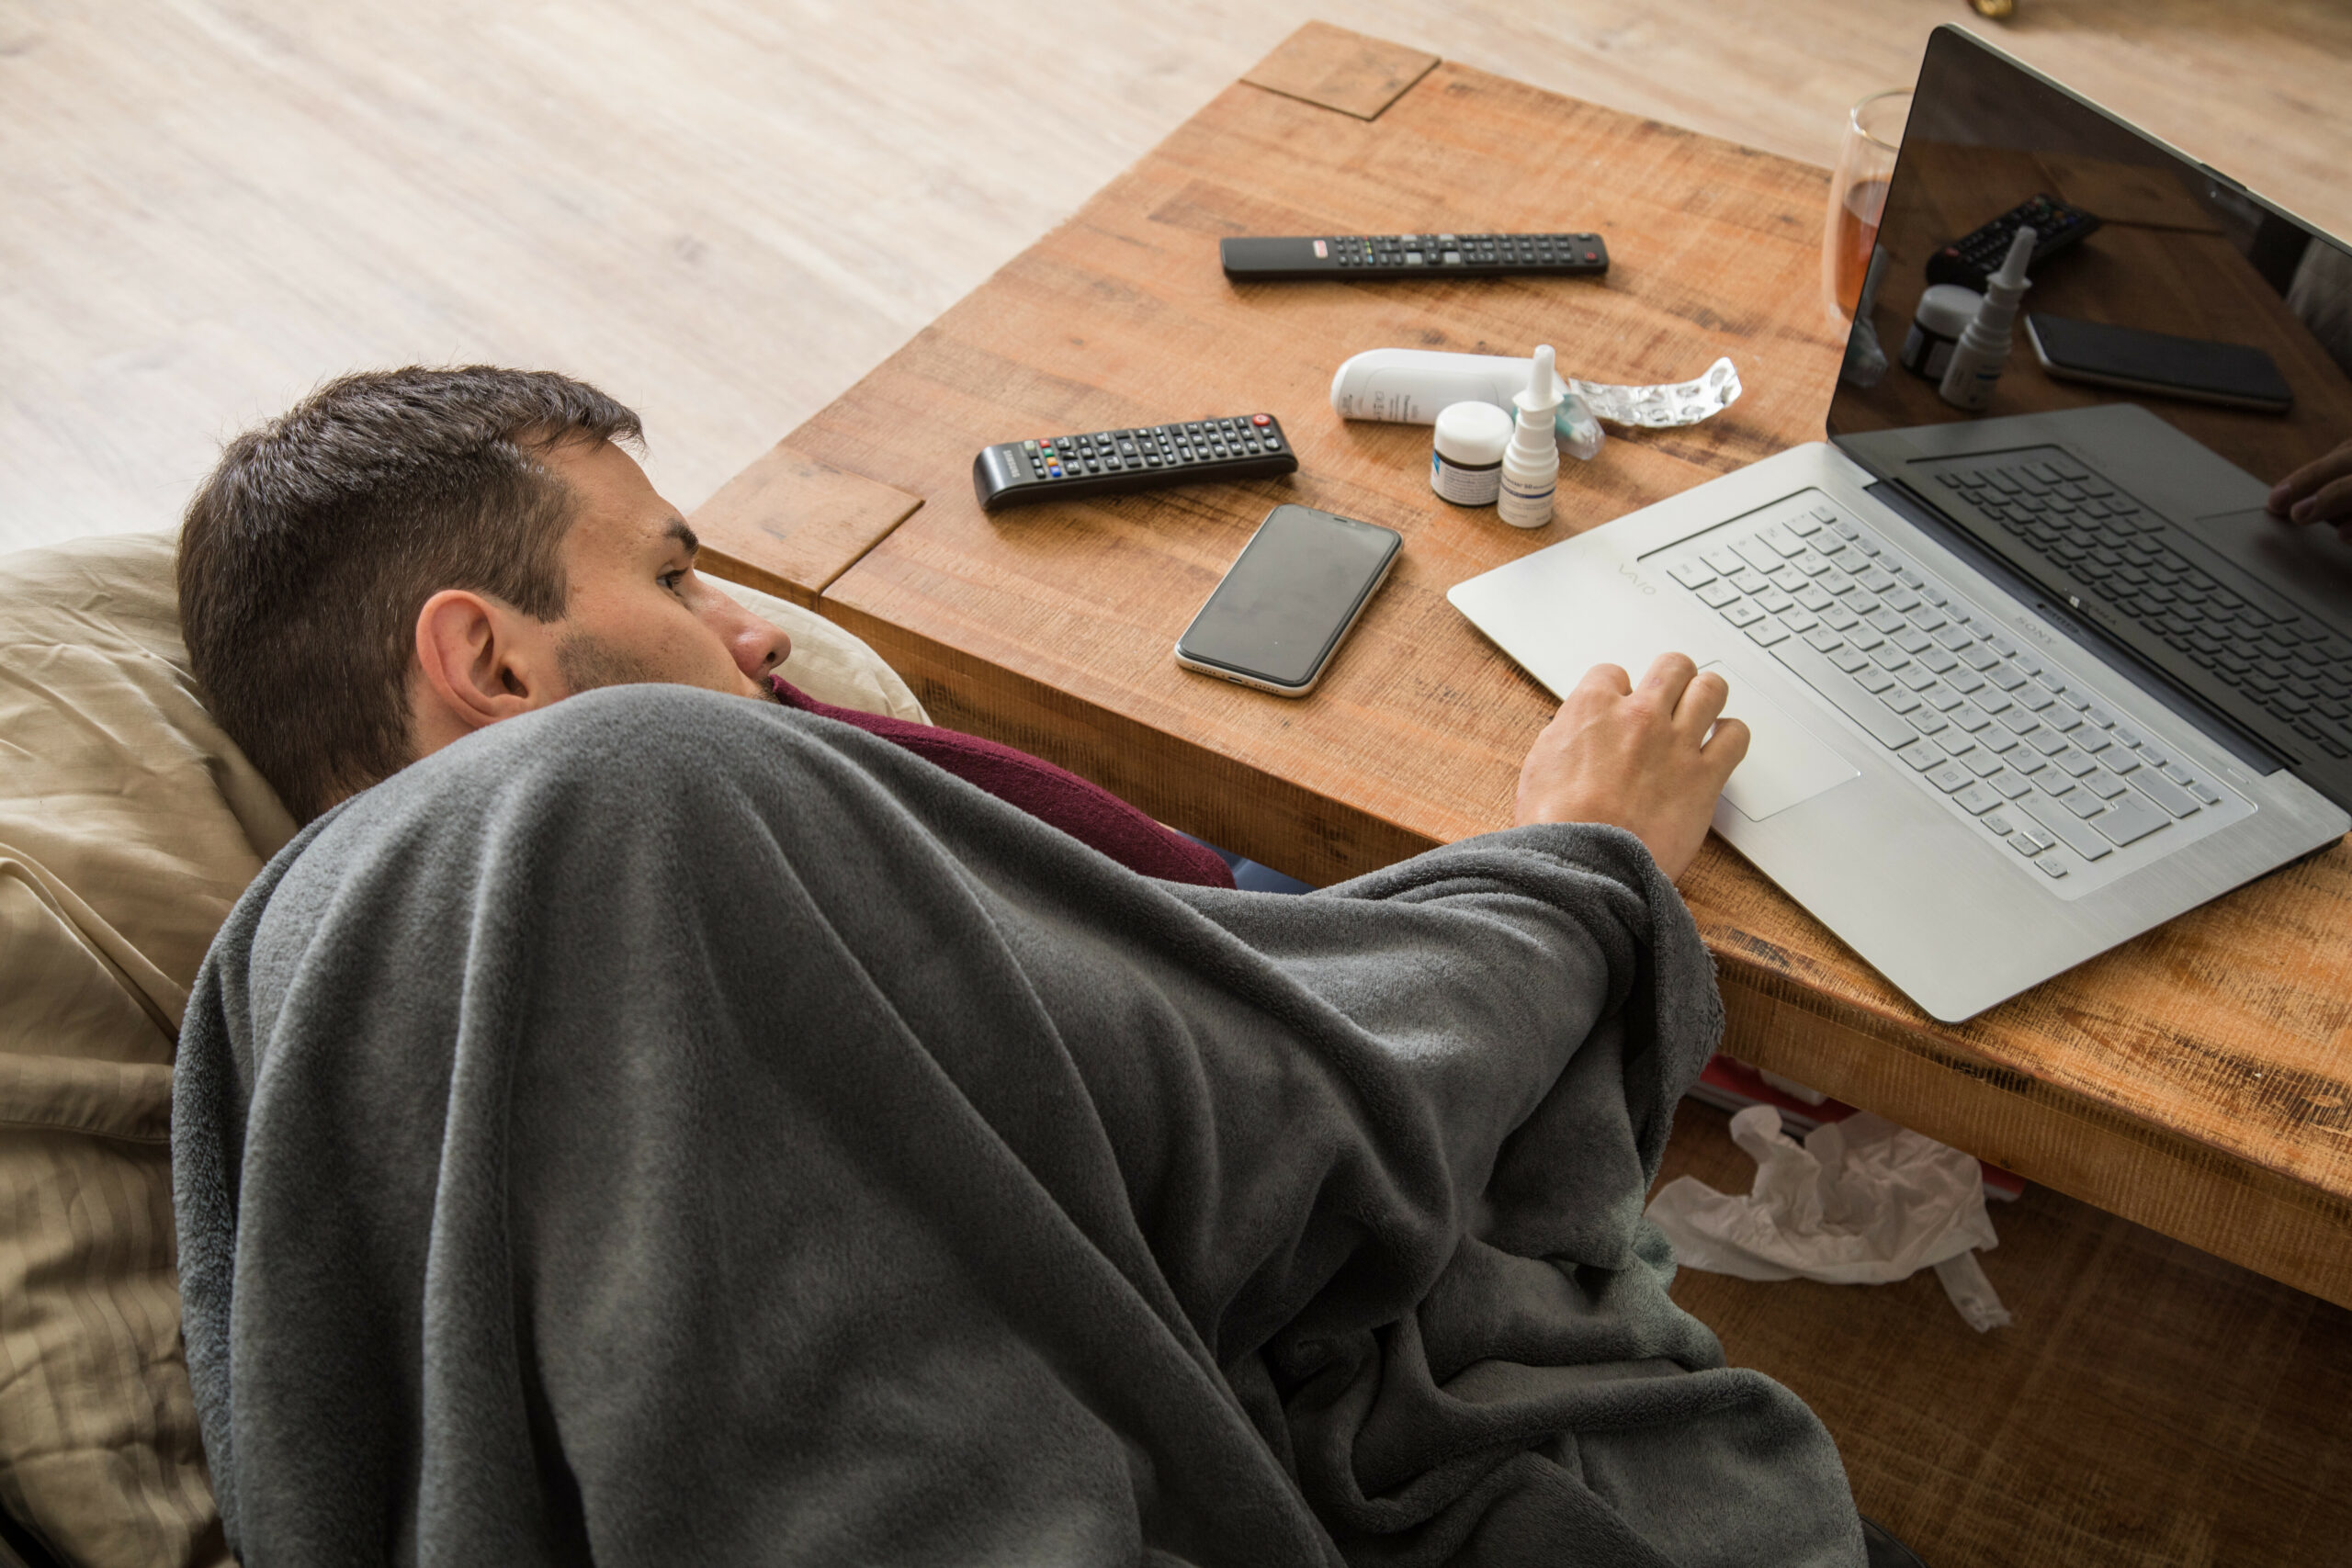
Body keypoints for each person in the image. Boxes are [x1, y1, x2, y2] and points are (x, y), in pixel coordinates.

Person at [171, 368, 1878, 1566]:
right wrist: (1582, 871)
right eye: (679, 573)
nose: (758, 629)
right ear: (488, 659)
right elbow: (1310, 1117)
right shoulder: (621, 791)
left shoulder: (262, 1008)